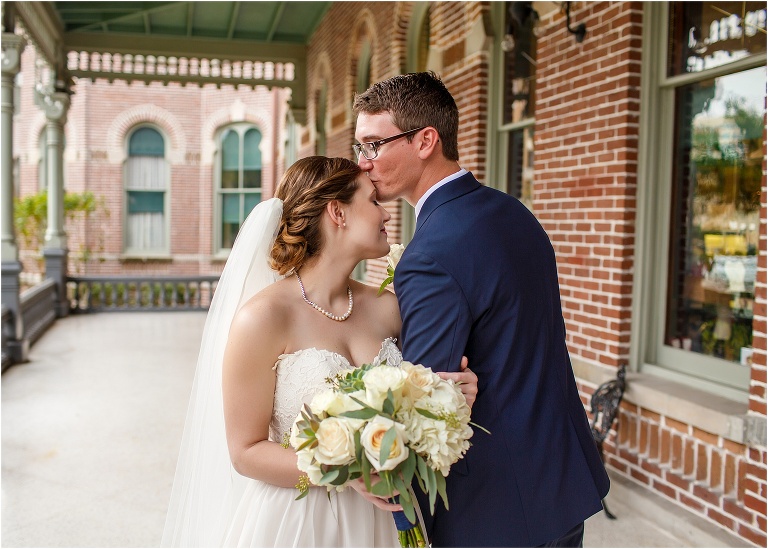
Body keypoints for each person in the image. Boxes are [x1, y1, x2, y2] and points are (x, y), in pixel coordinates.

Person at [161, 156, 478, 547]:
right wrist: (343, 470)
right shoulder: (262, 318)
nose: (387, 216)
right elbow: (245, 452)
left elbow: (416, 398)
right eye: (374, 201)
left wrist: (450, 395)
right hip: (298, 520)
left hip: (384, 521)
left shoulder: (389, 309)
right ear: (337, 212)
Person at [353, 71, 610, 548]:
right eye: (360, 149)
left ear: (426, 140)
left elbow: (427, 405)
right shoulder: (514, 212)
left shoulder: (429, 255)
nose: (364, 163)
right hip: (560, 478)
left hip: (494, 509)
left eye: (373, 145)